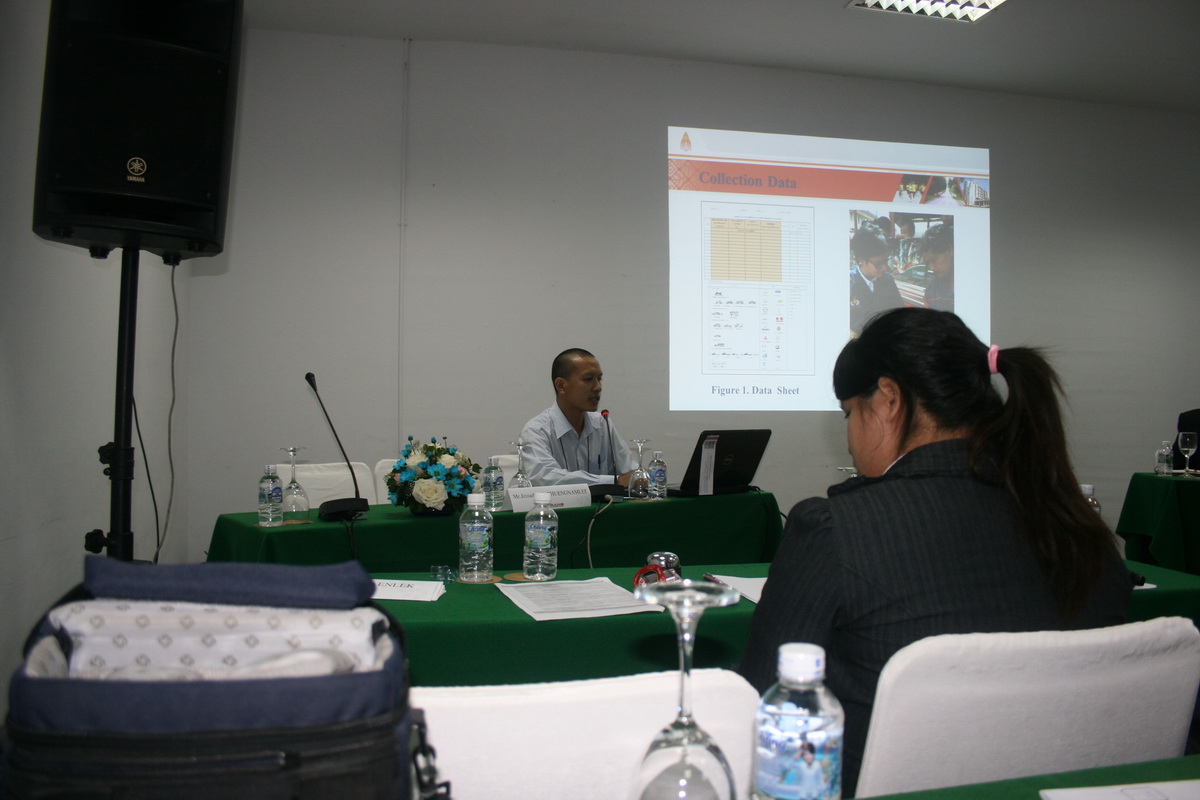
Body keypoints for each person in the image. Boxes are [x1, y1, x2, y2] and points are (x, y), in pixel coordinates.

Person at [737, 308, 1133, 797]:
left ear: (888, 399)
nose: (850, 438)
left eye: (848, 414)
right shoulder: (1080, 529)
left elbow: (762, 704)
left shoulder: (834, 529)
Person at [518, 348, 637, 486]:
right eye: (588, 379)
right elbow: (544, 478)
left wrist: (640, 477)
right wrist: (615, 481)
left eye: (599, 379)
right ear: (561, 386)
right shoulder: (536, 431)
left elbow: (630, 472)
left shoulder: (602, 423)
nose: (598, 387)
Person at [848, 222, 904, 335]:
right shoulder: (848, 284)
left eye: (886, 261)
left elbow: (899, 314)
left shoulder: (888, 281)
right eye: (878, 264)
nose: (885, 268)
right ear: (861, 260)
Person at [921, 221, 954, 311]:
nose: (932, 268)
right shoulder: (931, 290)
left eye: (934, 260)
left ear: (949, 250)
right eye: (929, 263)